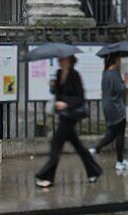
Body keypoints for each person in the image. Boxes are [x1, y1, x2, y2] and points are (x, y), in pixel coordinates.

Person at [35, 55, 102, 188]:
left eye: (63, 59)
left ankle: (47, 177)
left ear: (70, 61)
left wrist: (66, 104)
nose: (60, 61)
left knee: (56, 144)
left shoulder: (75, 75)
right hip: (64, 115)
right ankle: (94, 171)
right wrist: (53, 87)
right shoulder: (59, 74)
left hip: (71, 115)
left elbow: (80, 98)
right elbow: (57, 94)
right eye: (60, 59)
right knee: (78, 146)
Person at [92, 53, 128, 173]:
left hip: (108, 107)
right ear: (115, 60)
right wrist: (125, 81)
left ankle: (96, 149)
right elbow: (120, 90)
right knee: (120, 134)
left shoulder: (105, 73)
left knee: (113, 133)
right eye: (119, 58)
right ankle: (119, 162)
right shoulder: (114, 73)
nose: (120, 61)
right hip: (117, 108)